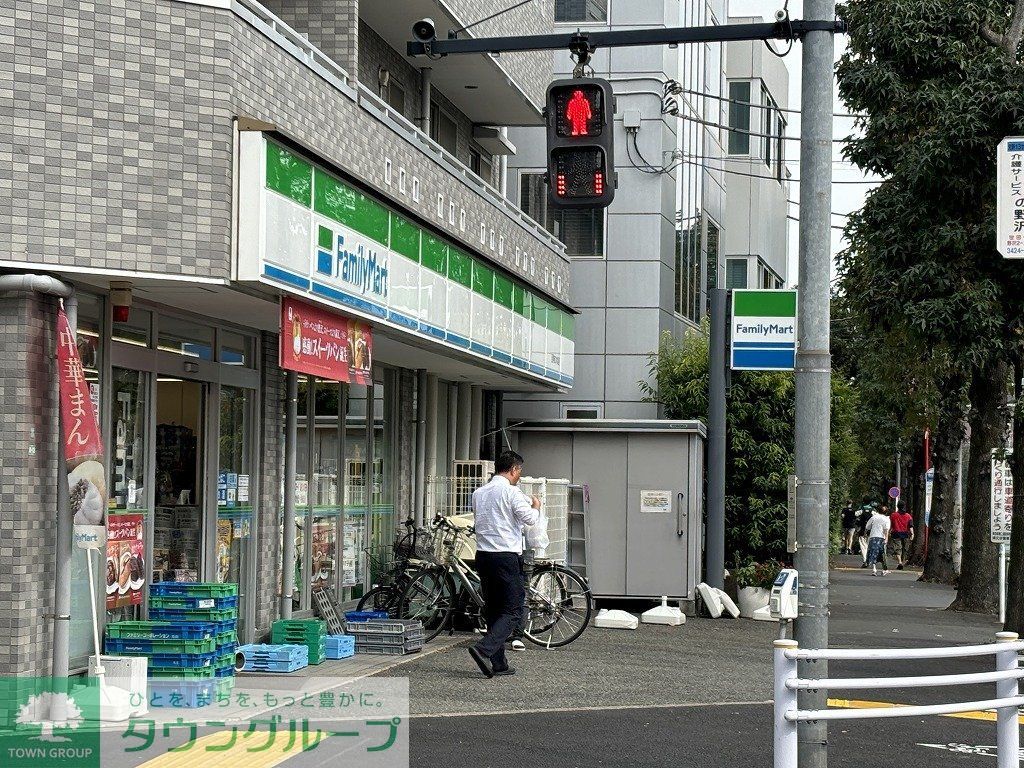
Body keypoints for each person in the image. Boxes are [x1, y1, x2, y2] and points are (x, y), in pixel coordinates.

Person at [467, 450, 541, 678]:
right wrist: (536, 505)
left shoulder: (479, 493)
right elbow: (530, 519)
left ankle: (499, 663)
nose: (519, 475)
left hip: (483, 556)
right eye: (519, 471)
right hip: (506, 556)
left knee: (494, 610)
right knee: (513, 609)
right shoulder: (511, 492)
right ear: (514, 470)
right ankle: (484, 649)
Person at [865, 504, 891, 576]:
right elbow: (886, 530)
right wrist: (886, 539)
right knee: (882, 554)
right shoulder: (886, 519)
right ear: (886, 512)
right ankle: (884, 569)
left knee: (873, 553)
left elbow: (867, 526)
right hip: (881, 538)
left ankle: (874, 569)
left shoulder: (873, 517)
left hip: (873, 537)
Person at [889, 501, 914, 570]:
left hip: (896, 533)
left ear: (897, 506)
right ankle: (902, 561)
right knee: (905, 548)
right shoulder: (908, 516)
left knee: (898, 548)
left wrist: (889, 531)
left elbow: (891, 524)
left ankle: (900, 562)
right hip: (905, 533)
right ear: (904, 506)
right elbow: (911, 525)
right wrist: (912, 534)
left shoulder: (893, 515)